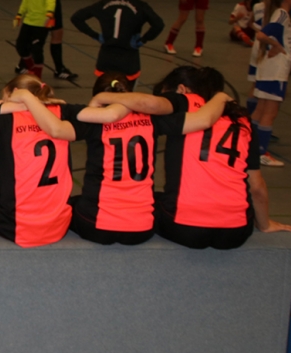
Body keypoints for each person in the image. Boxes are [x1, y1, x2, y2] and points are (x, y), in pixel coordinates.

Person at [93, 66, 291, 249]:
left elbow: (150, 104)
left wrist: (103, 97)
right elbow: (256, 186)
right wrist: (264, 224)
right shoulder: (242, 119)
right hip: (236, 232)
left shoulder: (186, 101)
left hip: (183, 228)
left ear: (181, 89)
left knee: (145, 203)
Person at [22, 72, 229, 246]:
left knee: (71, 205)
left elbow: (56, 128)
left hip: (96, 225)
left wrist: (25, 101)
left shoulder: (93, 121)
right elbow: (204, 119)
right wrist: (220, 98)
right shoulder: (154, 119)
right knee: (158, 199)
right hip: (141, 228)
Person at [0, 74, 129, 248]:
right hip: (58, 226)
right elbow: (107, 114)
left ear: (15, 93)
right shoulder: (63, 111)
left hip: (13, 226)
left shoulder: (0, 122)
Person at [70, 0, 164, 83]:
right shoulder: (141, 6)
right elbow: (159, 24)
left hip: (106, 59)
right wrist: (142, 40)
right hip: (129, 60)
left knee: (104, 91)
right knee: (126, 93)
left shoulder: (104, 4)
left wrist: (95, 35)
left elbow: (77, 18)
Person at [251, 0, 291, 167]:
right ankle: (261, 152)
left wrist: (274, 45)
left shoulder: (277, 13)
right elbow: (261, 35)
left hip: (267, 69)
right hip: (275, 71)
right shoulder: (282, 14)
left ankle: (250, 147)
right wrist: (278, 46)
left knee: (259, 110)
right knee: (269, 113)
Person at [14, 0, 56, 79]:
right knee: (20, 46)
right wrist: (20, 14)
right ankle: (31, 67)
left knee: (36, 48)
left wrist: (49, 13)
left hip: (41, 22)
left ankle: (37, 76)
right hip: (29, 20)